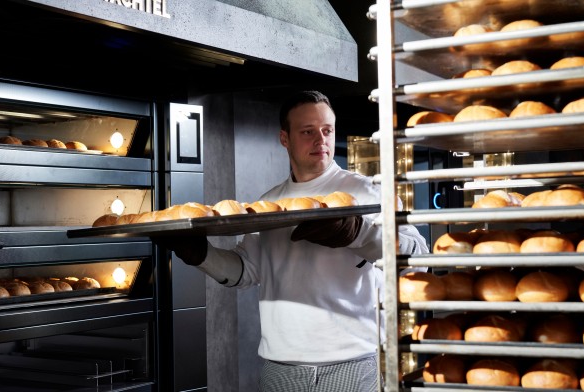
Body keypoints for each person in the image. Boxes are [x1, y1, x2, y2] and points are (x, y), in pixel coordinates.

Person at [164, 90, 428, 391]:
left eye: (327, 130)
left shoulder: (367, 192)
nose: (321, 140)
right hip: (280, 370)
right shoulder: (270, 203)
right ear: (284, 138)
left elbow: (418, 259)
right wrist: (200, 255)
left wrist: (360, 233)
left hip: (351, 366)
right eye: (307, 131)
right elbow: (246, 272)